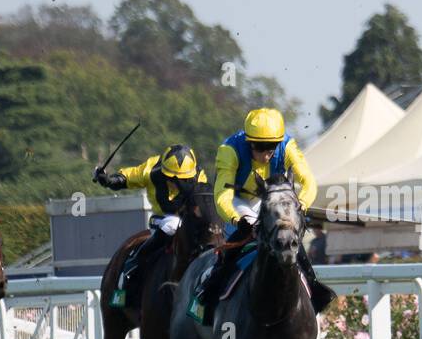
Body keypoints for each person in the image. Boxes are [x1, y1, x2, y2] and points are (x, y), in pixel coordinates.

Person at [196, 107, 332, 320]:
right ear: (250, 142)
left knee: (290, 238)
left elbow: (308, 182)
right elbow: (222, 194)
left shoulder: (288, 146)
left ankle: (314, 288)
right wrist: (236, 218)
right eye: (260, 148)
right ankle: (209, 290)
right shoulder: (229, 150)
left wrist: (301, 207)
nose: (267, 154)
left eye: (272, 147)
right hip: (239, 199)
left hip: (271, 198)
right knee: (241, 239)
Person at [94, 143, 207, 304]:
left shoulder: (199, 174)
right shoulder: (151, 168)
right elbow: (130, 176)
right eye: (171, 178)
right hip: (161, 220)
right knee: (172, 224)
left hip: (189, 221)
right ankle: (131, 267)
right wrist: (110, 180)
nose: (176, 183)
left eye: (182, 179)